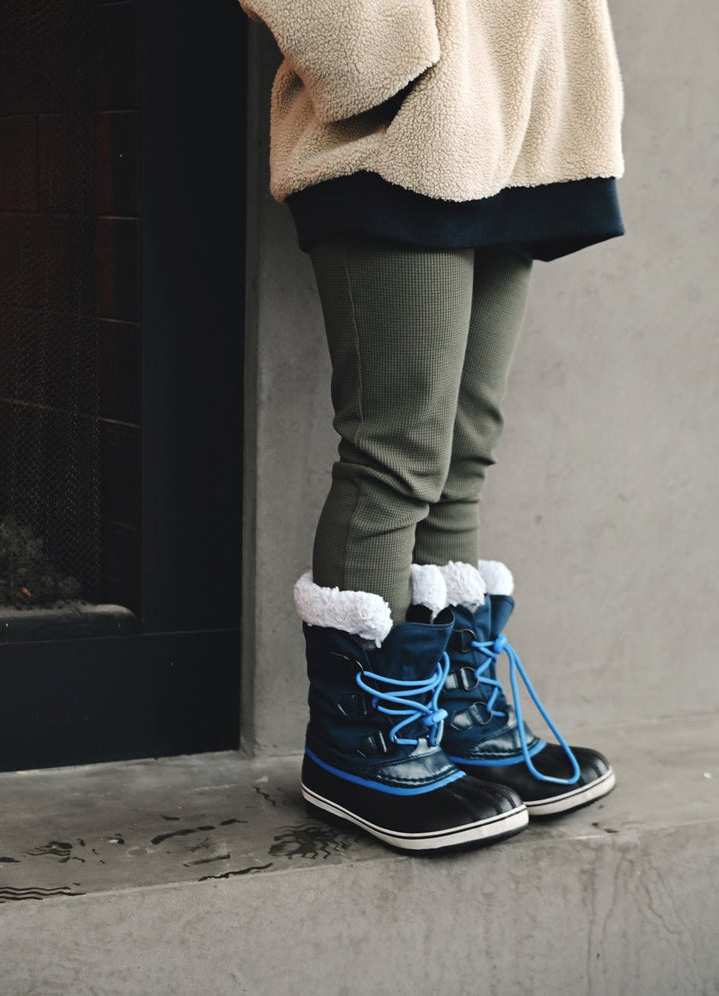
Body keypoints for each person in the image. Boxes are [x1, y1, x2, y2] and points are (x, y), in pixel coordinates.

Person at [239, 0, 625, 852]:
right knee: (397, 455)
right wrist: (380, 53)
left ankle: (449, 719)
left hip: (519, 130)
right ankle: (356, 750)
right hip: (405, 129)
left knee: (460, 455)